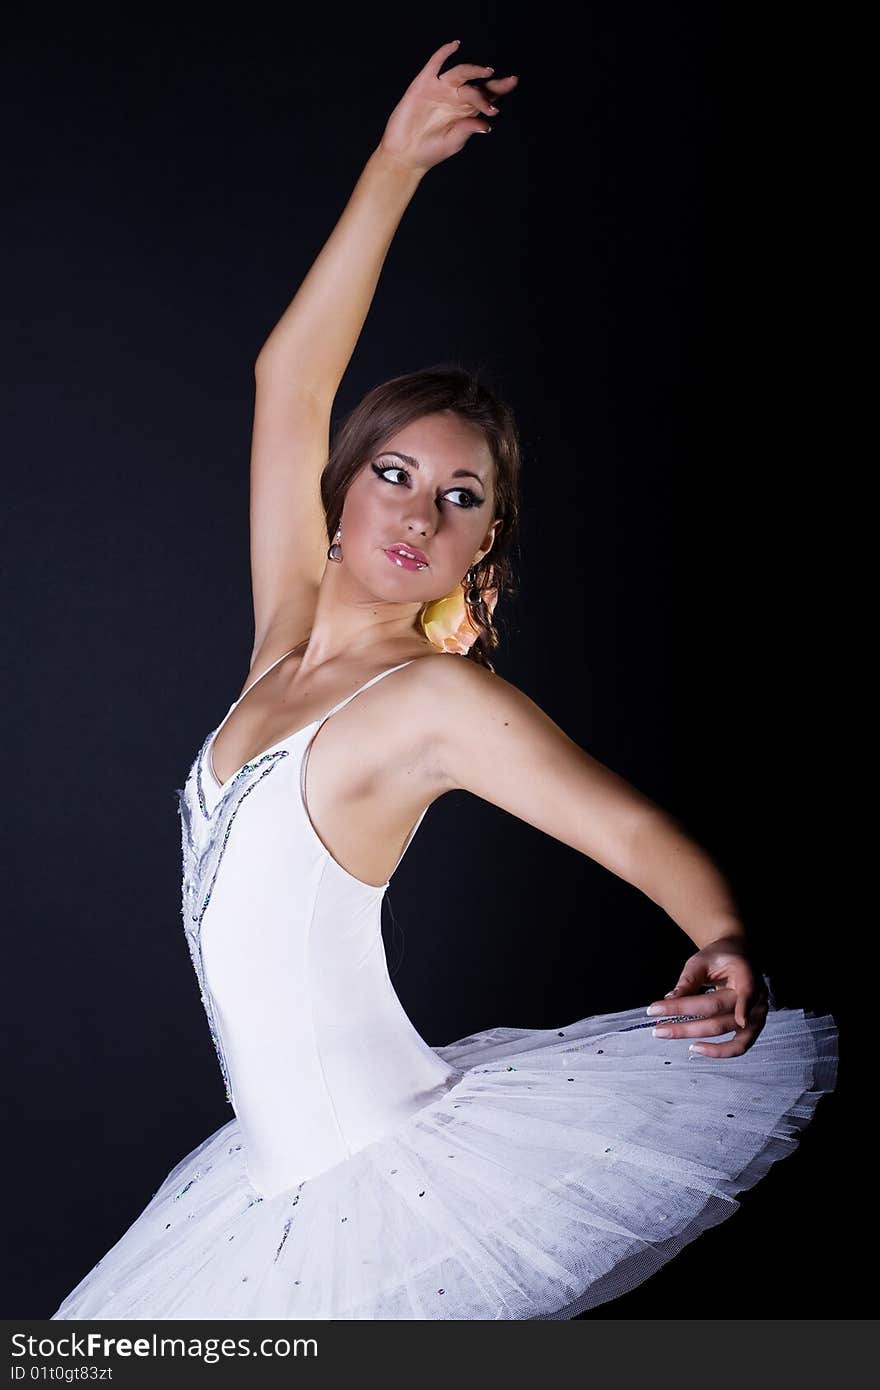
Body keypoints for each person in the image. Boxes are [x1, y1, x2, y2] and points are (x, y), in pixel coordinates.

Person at [50, 39, 838, 1322]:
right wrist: (393, 165)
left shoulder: (431, 702)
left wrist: (723, 933)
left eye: (462, 498)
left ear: (481, 547)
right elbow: (288, 383)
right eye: (396, 475)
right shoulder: (284, 632)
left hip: (378, 1185)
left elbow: (628, 825)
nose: (420, 510)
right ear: (346, 490)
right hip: (267, 1186)